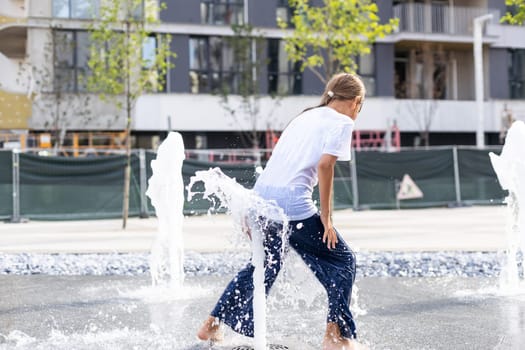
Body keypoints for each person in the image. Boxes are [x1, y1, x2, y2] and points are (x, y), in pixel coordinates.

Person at [197, 73, 366, 350]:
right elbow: (325, 166)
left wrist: (251, 211)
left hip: (263, 200)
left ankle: (213, 323)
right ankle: (335, 337)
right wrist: (327, 217)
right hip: (291, 205)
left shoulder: (306, 115)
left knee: (264, 265)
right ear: (356, 101)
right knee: (342, 261)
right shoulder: (342, 121)